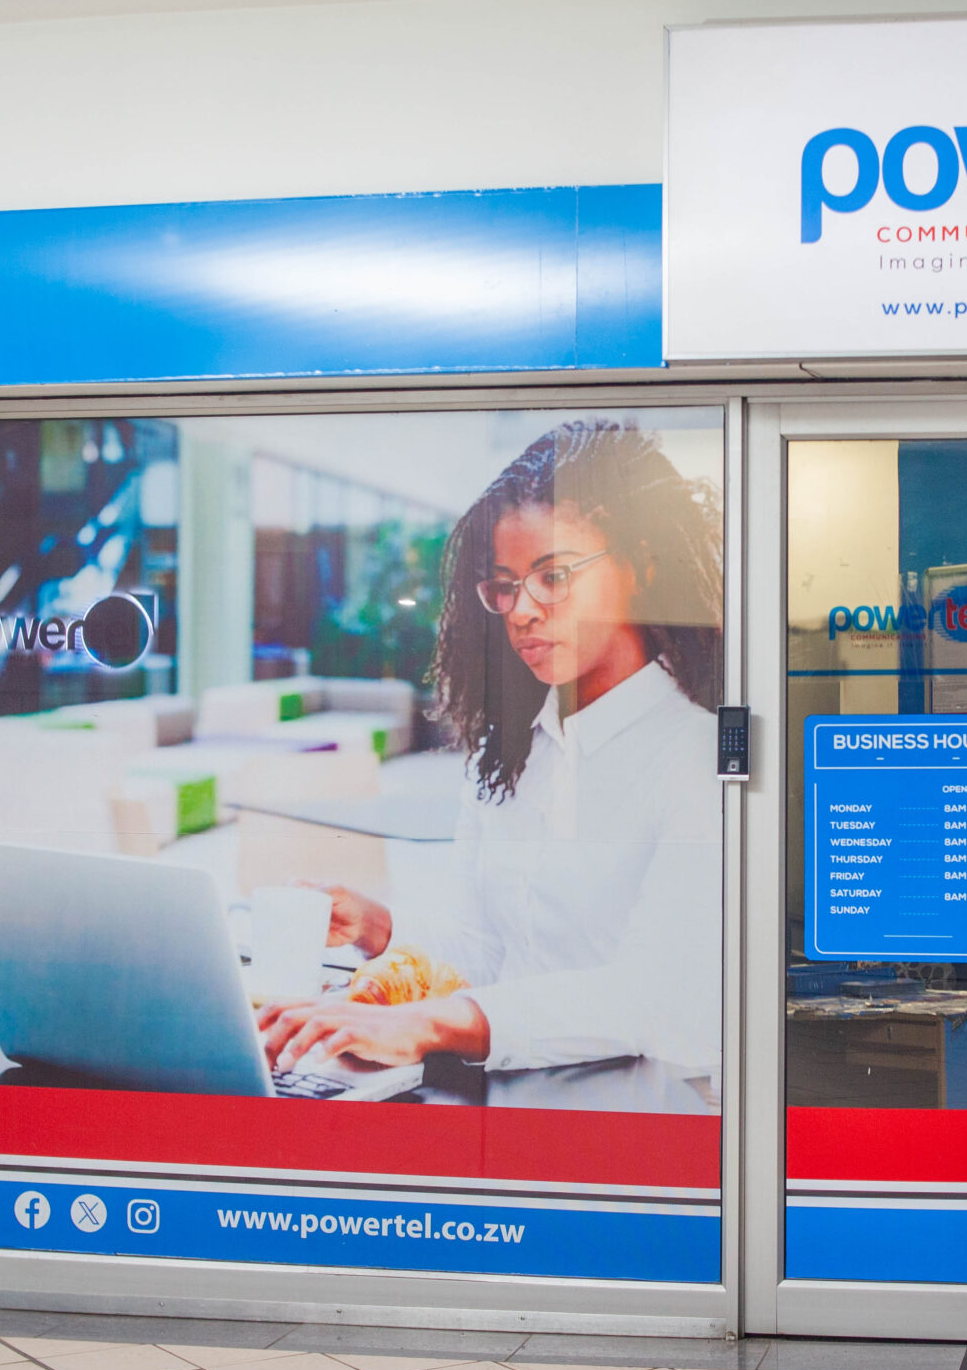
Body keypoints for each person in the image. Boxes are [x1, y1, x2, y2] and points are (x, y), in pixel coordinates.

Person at [258, 421, 723, 1081]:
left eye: (553, 576)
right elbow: (485, 950)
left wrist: (427, 1024)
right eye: (505, 586)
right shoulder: (506, 754)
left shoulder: (696, 756)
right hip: (513, 1096)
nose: (520, 611)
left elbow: (656, 995)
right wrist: (376, 927)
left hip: (643, 1111)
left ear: (640, 567)